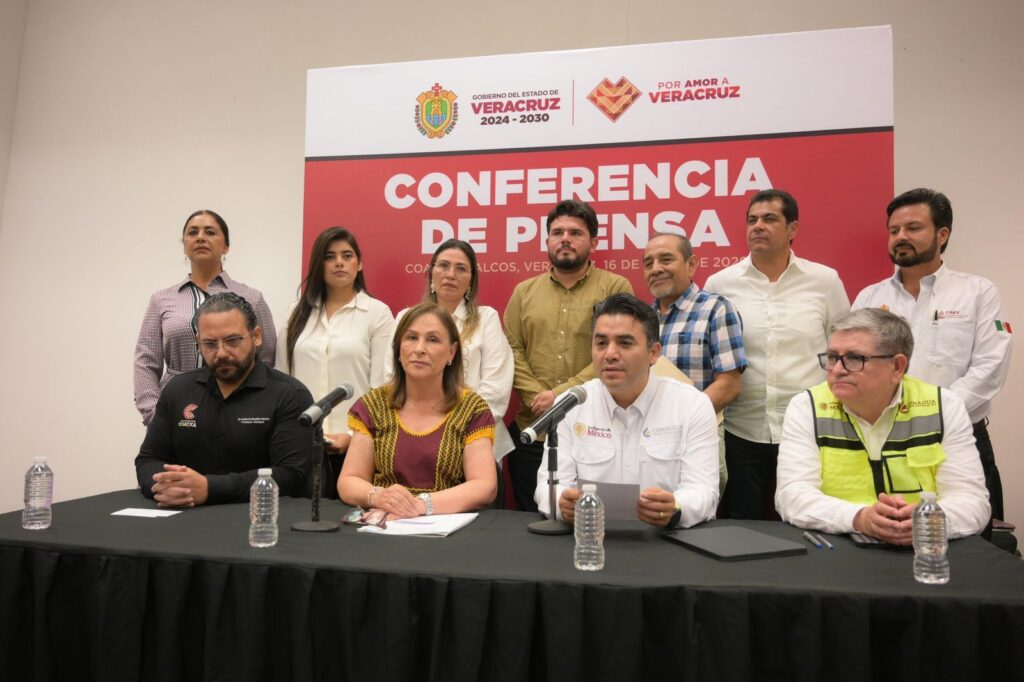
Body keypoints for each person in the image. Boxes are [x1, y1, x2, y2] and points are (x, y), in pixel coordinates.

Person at [852, 188, 1012, 522]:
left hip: (958, 437)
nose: (900, 237)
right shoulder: (870, 297)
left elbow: (990, 365)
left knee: (967, 538)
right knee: (886, 531)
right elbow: (854, 365)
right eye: (894, 230)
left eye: (913, 228)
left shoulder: (977, 292)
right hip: (885, 439)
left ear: (942, 234)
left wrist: (937, 414)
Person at [776, 309, 990, 544]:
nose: (837, 370)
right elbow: (792, 495)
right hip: (838, 546)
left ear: (897, 367)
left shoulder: (943, 406)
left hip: (923, 547)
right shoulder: (807, 407)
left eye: (855, 358)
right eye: (832, 357)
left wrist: (927, 519)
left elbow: (972, 501)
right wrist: (859, 517)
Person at [704, 189, 850, 519]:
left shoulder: (824, 281)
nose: (758, 226)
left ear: (792, 228)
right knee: (743, 526)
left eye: (769, 219)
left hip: (808, 427)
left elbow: (843, 350)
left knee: (809, 519)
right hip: (742, 429)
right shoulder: (720, 284)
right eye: (752, 220)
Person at [534, 293, 719, 527]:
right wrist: (562, 502)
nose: (610, 354)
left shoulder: (692, 404)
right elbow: (547, 486)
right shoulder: (571, 405)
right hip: (589, 537)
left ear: (653, 353)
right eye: (601, 343)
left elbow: (704, 490)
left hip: (665, 538)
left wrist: (676, 506)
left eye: (625, 343)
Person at [504, 199, 633, 512]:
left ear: (593, 242)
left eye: (575, 233)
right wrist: (538, 397)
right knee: (529, 523)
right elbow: (511, 350)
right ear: (547, 240)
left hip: (594, 432)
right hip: (532, 431)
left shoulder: (615, 287)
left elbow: (617, 351)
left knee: (593, 518)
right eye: (557, 232)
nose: (565, 239)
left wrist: (560, 396)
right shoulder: (524, 292)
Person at [135, 293, 313, 507]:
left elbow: (291, 474)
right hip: (185, 513)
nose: (221, 353)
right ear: (198, 343)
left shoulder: (290, 395)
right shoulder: (178, 390)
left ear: (256, 336)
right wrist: (165, 486)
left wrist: (210, 488)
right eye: (210, 344)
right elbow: (148, 459)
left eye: (232, 341)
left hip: (259, 516)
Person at [338, 303, 497, 516]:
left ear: (451, 352)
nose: (419, 349)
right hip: (385, 524)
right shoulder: (373, 405)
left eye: (432, 340)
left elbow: (484, 486)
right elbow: (349, 480)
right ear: (398, 349)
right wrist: (379, 496)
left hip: (446, 526)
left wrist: (420, 505)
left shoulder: (472, 409)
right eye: (411, 338)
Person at [277, 227, 395, 490]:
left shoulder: (377, 313)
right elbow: (282, 381)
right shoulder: (295, 313)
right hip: (300, 447)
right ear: (318, 265)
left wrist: (352, 436)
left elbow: (383, 389)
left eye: (347, 256)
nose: (339, 262)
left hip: (357, 448)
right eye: (329, 257)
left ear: (359, 263)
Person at [134, 209, 276, 426]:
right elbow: (145, 361)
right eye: (193, 232)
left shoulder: (251, 298)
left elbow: (266, 360)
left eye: (210, 232)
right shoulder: (162, 300)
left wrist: (253, 410)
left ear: (226, 246)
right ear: (184, 245)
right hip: (175, 411)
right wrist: (155, 415)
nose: (200, 237)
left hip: (237, 410)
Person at [389, 239, 515, 460]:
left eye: (461, 269)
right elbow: (391, 378)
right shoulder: (405, 318)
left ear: (471, 281)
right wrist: (424, 429)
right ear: (431, 273)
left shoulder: (486, 319)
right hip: (415, 440)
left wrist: (455, 429)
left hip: (475, 440)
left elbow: (496, 389)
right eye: (444, 265)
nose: (450, 274)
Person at [643, 233, 746, 412]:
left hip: (696, 426)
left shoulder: (716, 309)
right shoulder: (641, 318)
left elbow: (729, 385)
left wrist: (684, 420)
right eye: (648, 264)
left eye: (666, 260)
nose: (655, 269)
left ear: (691, 264)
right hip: (645, 425)